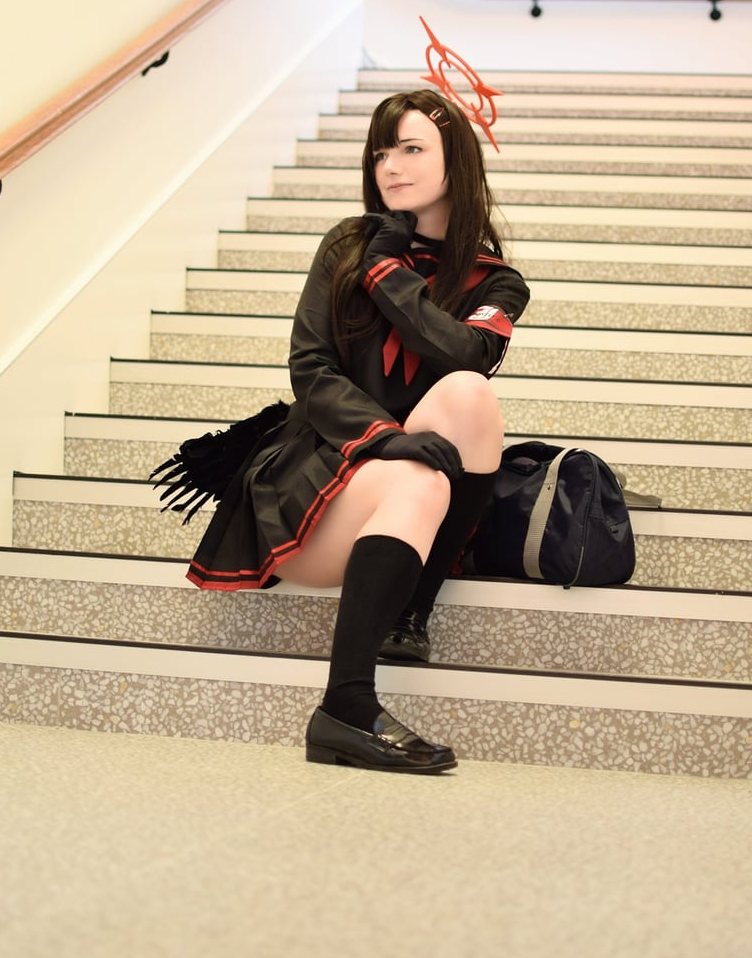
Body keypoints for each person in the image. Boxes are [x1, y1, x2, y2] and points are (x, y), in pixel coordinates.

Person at [186, 89, 530, 773]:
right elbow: (309, 368)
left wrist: (388, 275)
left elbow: (467, 354)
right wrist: (383, 438)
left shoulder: (498, 282)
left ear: (457, 161)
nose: (390, 166)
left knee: (469, 396)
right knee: (415, 477)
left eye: (411, 148)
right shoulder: (348, 245)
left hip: (401, 490)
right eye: (380, 152)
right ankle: (346, 705)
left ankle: (408, 614)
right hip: (318, 478)